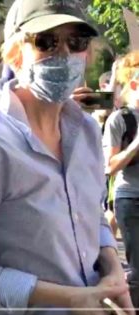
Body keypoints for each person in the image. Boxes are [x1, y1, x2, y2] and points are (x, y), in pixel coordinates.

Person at [0, 0, 133, 314]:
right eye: (46, 42)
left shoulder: (85, 131)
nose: (64, 55)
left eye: (77, 42)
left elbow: (90, 214)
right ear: (16, 53)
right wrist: (69, 298)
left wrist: (111, 271)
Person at [103, 50, 139, 308]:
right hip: (132, 200)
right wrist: (135, 145)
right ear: (135, 84)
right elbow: (109, 166)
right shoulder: (121, 119)